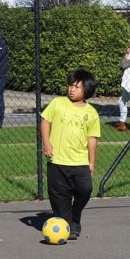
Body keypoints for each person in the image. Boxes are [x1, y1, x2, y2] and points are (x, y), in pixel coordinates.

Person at [40, 68, 102, 241]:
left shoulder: (91, 113)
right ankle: (68, 226)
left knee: (85, 189)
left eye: (77, 87)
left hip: (79, 161)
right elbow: (45, 122)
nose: (72, 89)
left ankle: (76, 214)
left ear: (87, 90)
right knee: (59, 196)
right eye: (70, 85)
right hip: (58, 160)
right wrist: (47, 142)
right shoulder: (57, 103)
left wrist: (91, 162)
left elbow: (92, 139)